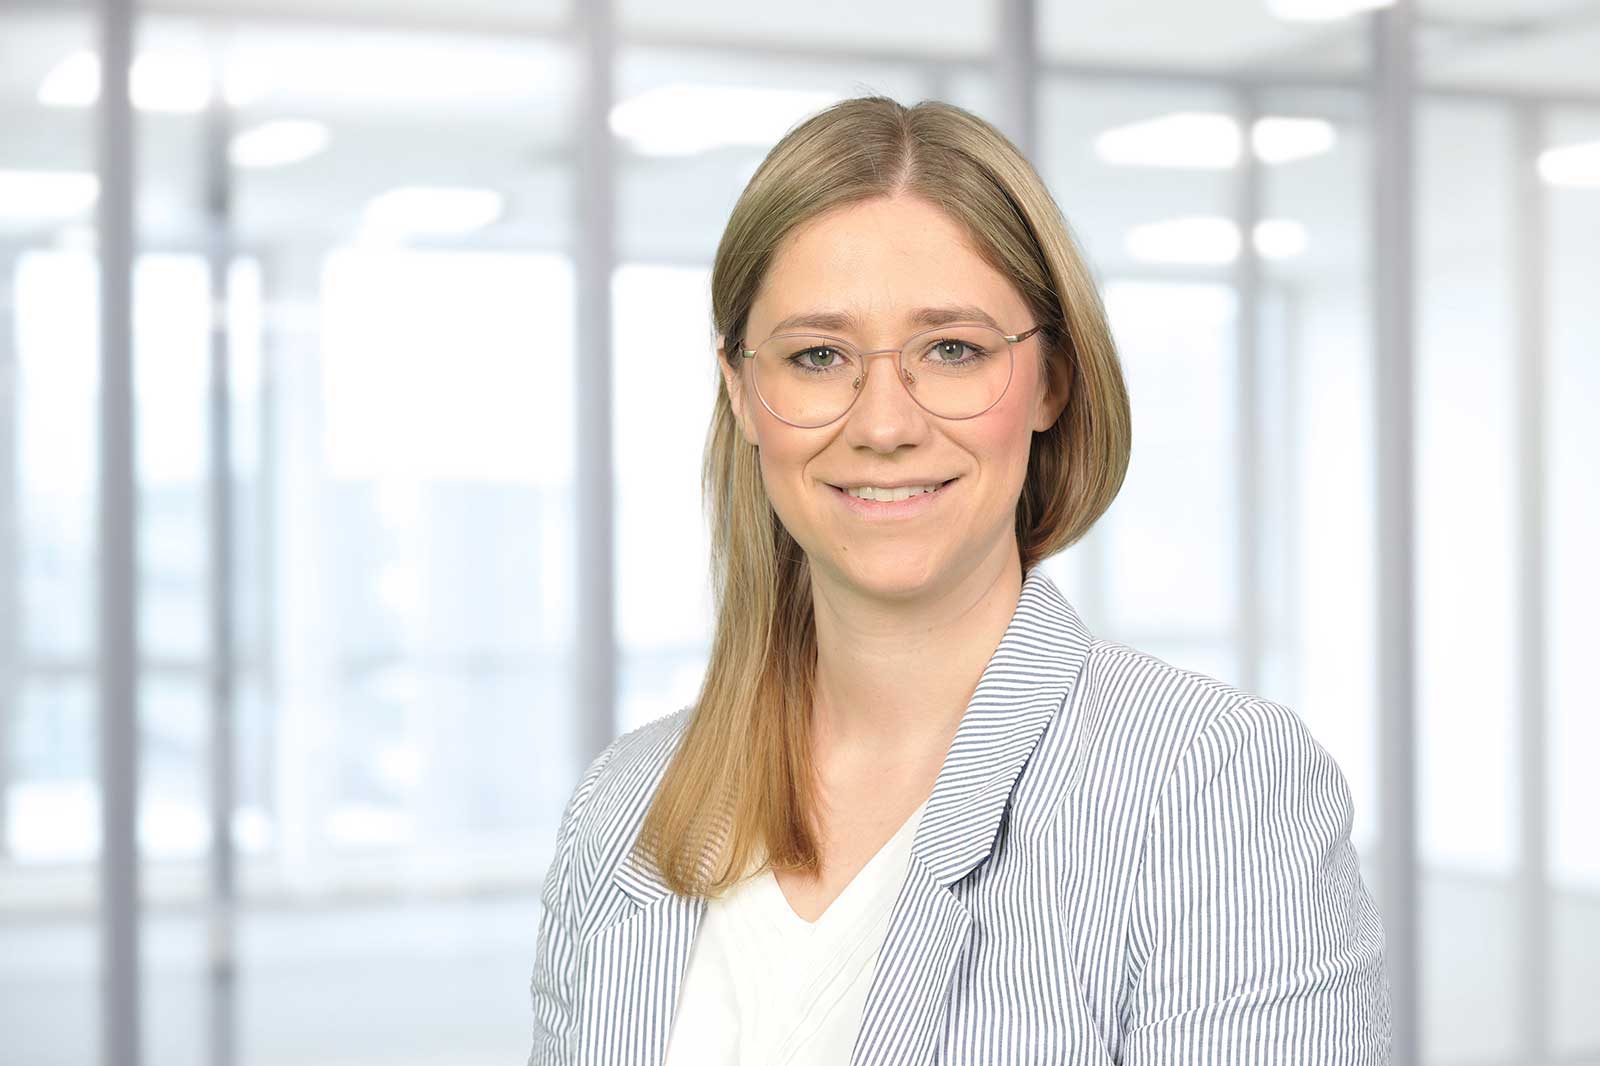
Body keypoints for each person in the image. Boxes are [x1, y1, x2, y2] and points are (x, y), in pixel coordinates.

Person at [528, 95, 1390, 1066]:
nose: (884, 424)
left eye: (952, 350)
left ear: (1052, 381)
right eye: (818, 355)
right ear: (741, 391)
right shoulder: (626, 805)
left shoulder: (1209, 789)